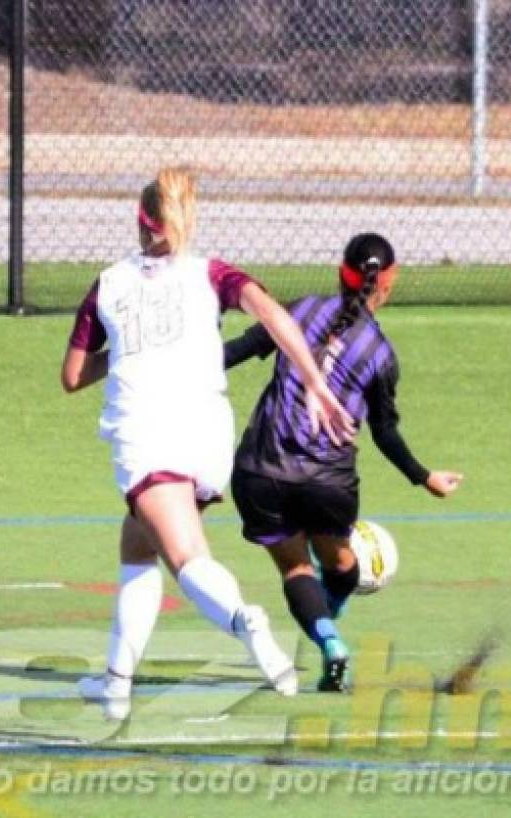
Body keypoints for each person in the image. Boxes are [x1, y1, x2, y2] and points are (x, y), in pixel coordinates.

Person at [61, 166, 356, 719]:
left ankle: (248, 624)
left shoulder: (108, 283)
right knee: (138, 544)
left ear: (140, 220)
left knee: (185, 555)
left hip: (146, 433)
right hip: (206, 433)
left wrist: (124, 350)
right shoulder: (211, 274)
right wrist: (315, 383)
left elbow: (73, 375)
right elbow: (271, 314)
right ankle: (116, 681)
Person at [222, 232, 463, 691]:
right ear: (388, 282)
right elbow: (384, 433)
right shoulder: (381, 355)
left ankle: (329, 639)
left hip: (262, 471)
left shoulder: (299, 309)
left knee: (295, 567)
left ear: (341, 272)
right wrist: (424, 477)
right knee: (341, 564)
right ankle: (326, 621)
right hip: (327, 484)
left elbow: (232, 352)